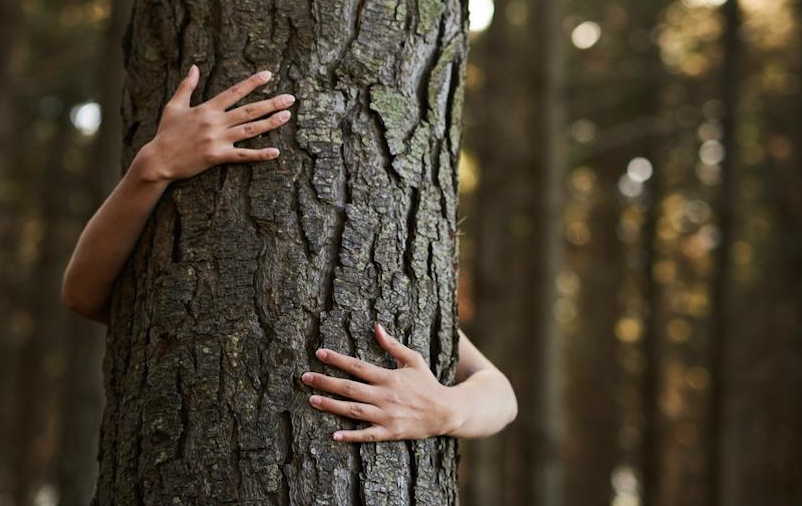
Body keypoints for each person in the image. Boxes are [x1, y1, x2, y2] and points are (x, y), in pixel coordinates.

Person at [62, 65, 518, 443]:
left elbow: (501, 395)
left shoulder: (401, 297)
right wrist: (152, 168)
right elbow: (83, 293)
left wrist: (448, 409)